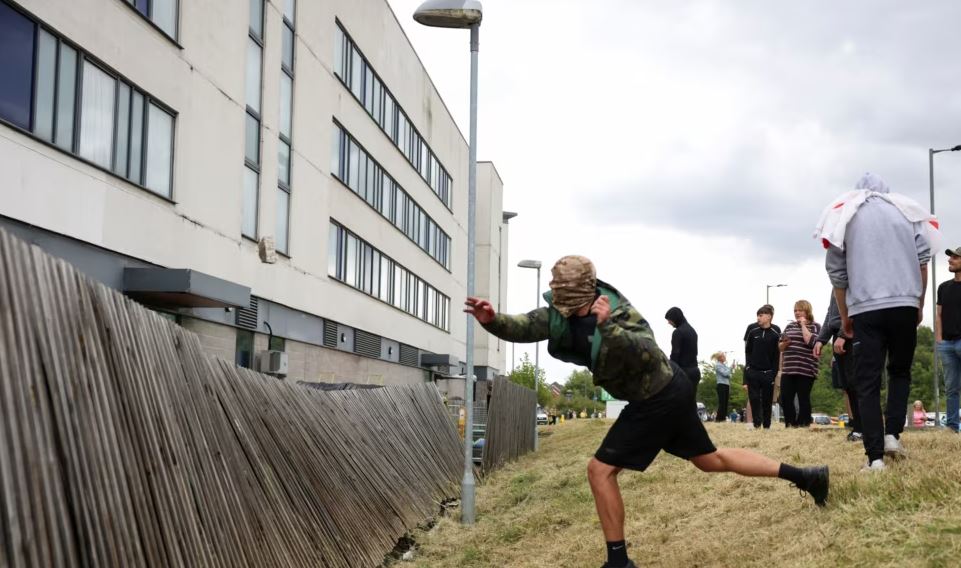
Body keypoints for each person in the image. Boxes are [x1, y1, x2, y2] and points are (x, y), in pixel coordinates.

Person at [465, 255, 828, 568]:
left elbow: (643, 350)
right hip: (661, 395)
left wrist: (607, 328)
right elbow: (526, 326)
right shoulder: (560, 312)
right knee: (710, 460)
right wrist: (492, 320)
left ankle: (618, 560)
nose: (564, 309)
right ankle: (807, 476)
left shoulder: (620, 312)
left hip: (659, 394)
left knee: (600, 471)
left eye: (570, 302)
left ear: (588, 292)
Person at [817, 172, 936, 471]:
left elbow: (837, 273)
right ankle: (893, 434)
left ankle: (875, 458)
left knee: (867, 383)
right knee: (900, 372)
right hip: (905, 303)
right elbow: (923, 261)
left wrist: (845, 316)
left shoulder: (845, 216)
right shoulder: (906, 212)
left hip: (866, 307)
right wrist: (918, 303)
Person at [815, 293, 862, 442]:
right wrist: (821, 340)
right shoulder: (837, 280)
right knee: (848, 385)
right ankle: (858, 427)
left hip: (854, 333)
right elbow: (831, 313)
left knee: (857, 384)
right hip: (839, 335)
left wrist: (844, 333)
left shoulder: (854, 275)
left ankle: (865, 428)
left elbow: (856, 305)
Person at [778, 300, 822, 427]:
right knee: (786, 398)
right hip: (788, 368)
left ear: (807, 311)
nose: (797, 313)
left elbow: (812, 342)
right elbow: (780, 347)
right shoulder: (789, 326)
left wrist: (803, 325)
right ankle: (790, 424)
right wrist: (784, 343)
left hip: (806, 369)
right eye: (795, 310)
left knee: (803, 398)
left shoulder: (815, 326)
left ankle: (803, 423)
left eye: (800, 310)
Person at [936, 246, 961, 432]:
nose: (950, 260)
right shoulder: (943, 287)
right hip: (947, 344)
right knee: (951, 388)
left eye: (955, 257)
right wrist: (939, 340)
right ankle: (952, 427)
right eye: (950, 257)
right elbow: (939, 315)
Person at [744, 305, 781, 429]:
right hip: (753, 372)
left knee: (767, 400)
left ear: (769, 316)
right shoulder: (753, 332)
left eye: (761, 315)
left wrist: (773, 373)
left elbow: (777, 356)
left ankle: (767, 425)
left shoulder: (776, 334)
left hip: (768, 373)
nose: (758, 318)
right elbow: (747, 352)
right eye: (757, 315)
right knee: (754, 399)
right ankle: (756, 424)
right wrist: (748, 369)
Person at [666, 307, 700, 388]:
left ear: (675, 318)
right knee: (691, 400)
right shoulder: (693, 331)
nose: (668, 322)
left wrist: (670, 372)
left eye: (669, 319)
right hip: (695, 371)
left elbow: (675, 354)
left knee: (677, 400)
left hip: (683, 373)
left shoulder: (678, 332)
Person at [712, 352, 733, 422]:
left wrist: (728, 371)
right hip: (721, 384)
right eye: (723, 356)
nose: (725, 357)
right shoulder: (718, 365)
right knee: (722, 402)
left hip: (726, 384)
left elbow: (729, 375)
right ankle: (718, 418)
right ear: (720, 358)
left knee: (725, 402)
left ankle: (723, 418)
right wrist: (730, 368)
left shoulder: (724, 365)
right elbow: (725, 374)